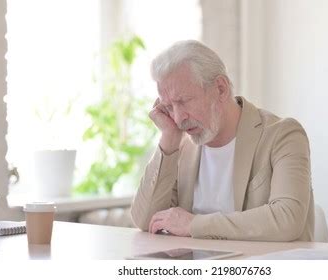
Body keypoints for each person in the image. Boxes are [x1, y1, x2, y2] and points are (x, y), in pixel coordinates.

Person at [131, 40, 314, 241]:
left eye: (183, 101)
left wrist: (194, 224)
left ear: (220, 88)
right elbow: (145, 220)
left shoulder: (283, 135)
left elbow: (288, 219)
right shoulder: (181, 146)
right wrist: (169, 139)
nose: (177, 118)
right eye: (169, 106)